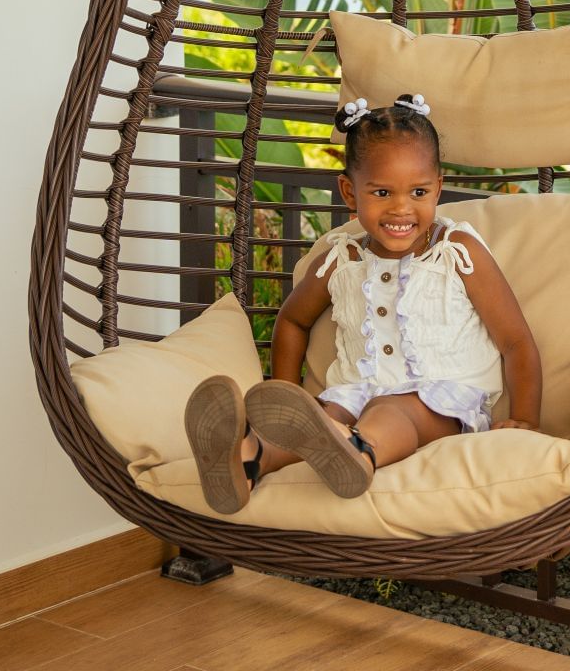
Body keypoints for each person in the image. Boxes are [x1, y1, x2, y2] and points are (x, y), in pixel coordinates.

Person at [183, 92, 542, 512]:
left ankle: (359, 452)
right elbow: (293, 321)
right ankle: (250, 456)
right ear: (349, 193)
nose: (402, 208)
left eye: (419, 191)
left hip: (440, 403)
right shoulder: (341, 259)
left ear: (438, 188)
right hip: (356, 392)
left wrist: (526, 421)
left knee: (392, 411)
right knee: (323, 416)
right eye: (382, 192)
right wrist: (284, 392)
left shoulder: (455, 251)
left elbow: (516, 341)